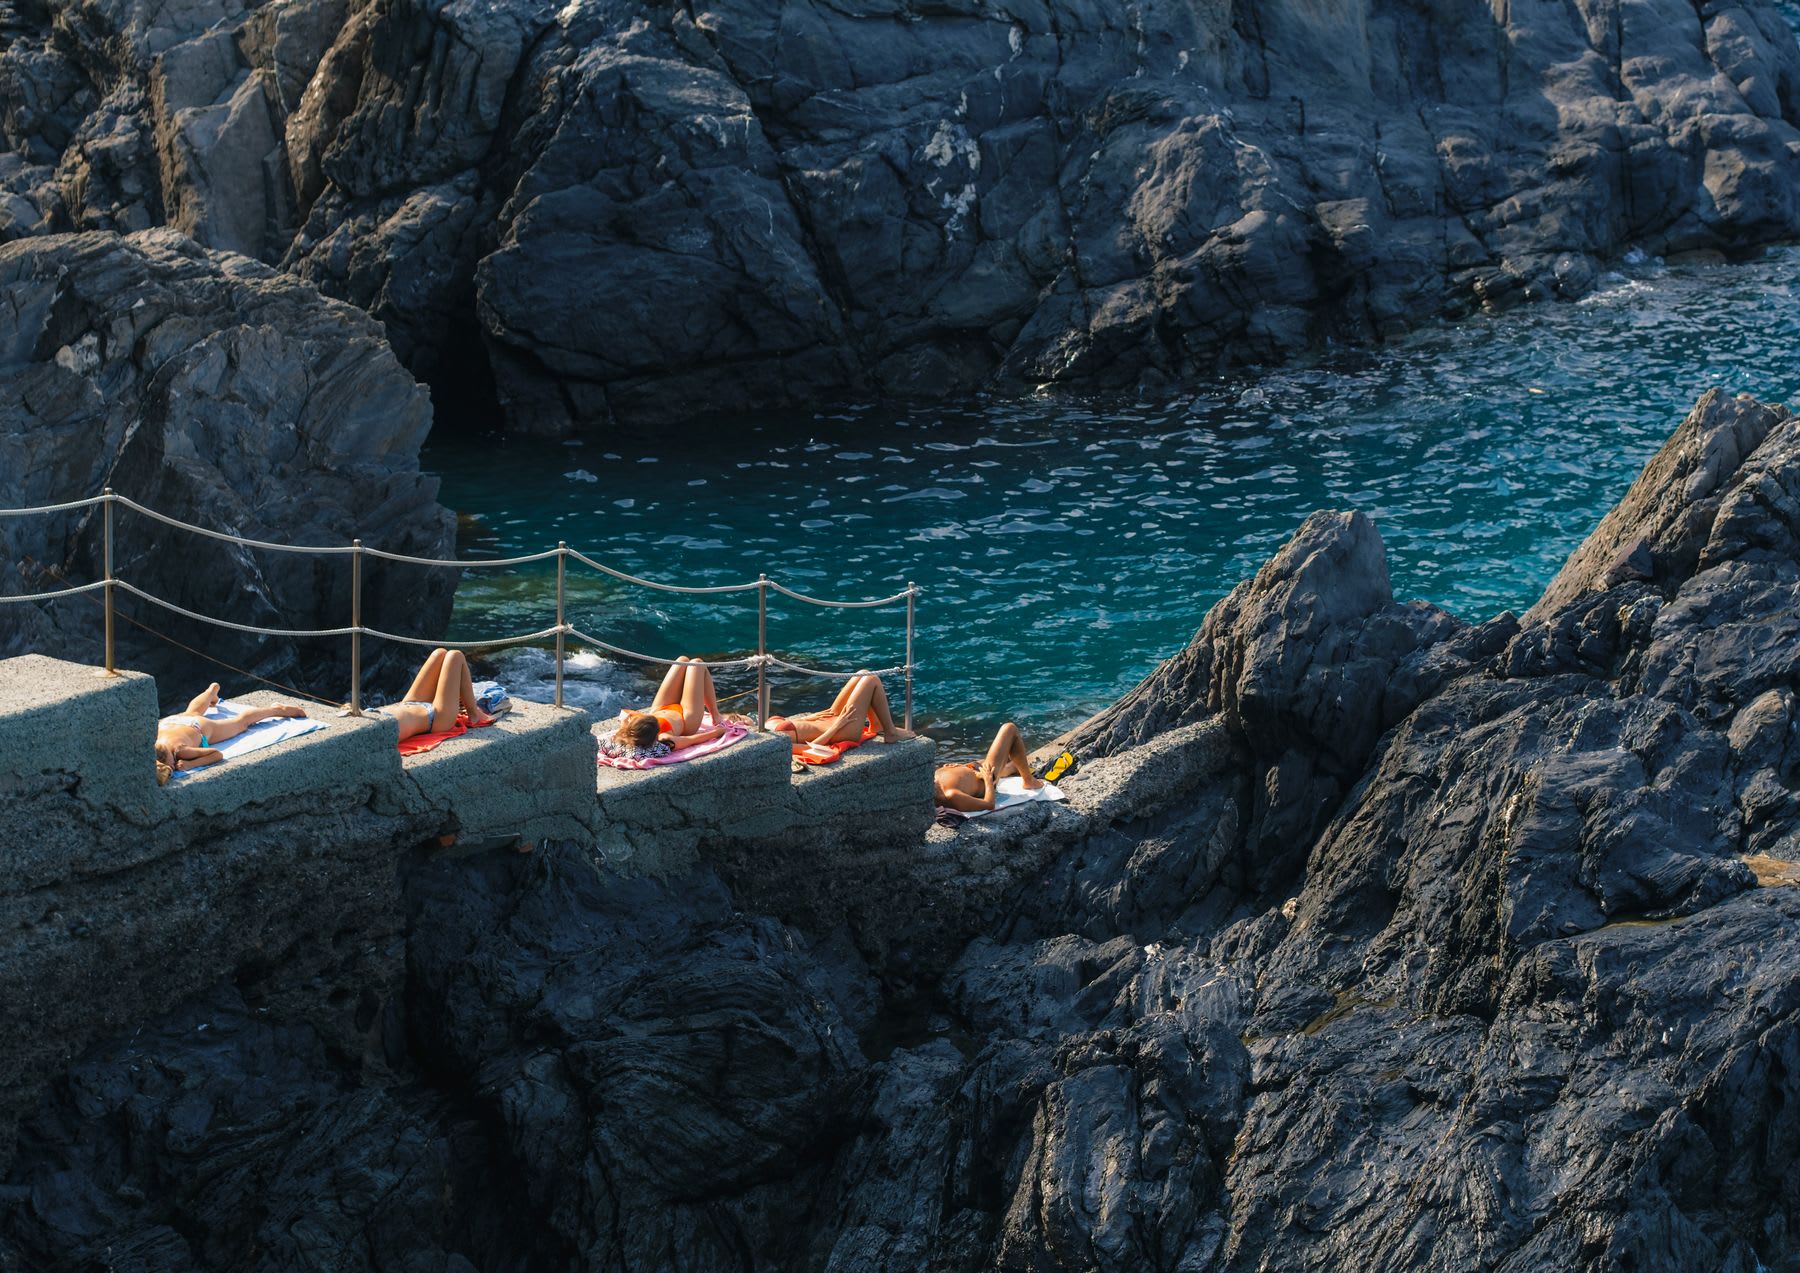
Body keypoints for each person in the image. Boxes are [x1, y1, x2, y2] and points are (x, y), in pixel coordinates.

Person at [155, 682, 307, 783]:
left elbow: (216, 754)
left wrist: (190, 764)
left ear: (170, 757)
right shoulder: (153, 744)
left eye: (170, 765)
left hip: (200, 727)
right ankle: (211, 691)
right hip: (171, 722)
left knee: (241, 723)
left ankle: (276, 710)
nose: (172, 767)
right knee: (192, 711)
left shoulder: (180, 751)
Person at [605, 656, 728, 759]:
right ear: (654, 737)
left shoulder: (632, 729)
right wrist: (717, 732)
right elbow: (692, 740)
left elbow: (624, 714)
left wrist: (624, 724)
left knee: (682, 660)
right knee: (697, 664)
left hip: (661, 708)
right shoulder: (665, 739)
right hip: (686, 719)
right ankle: (715, 714)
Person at [377, 647, 499, 743]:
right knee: (455, 656)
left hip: (408, 703)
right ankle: (474, 714)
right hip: (435, 718)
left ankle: (461, 702)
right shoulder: (376, 737)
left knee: (439, 653)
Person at [765, 672, 916, 746]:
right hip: (841, 731)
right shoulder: (771, 745)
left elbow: (798, 727)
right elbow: (810, 748)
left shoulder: (761, 727)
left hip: (828, 718)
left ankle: (876, 725)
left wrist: (810, 717)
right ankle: (891, 733)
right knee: (871, 680)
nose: (741, 719)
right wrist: (837, 726)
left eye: (740, 718)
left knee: (862, 673)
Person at [934, 721, 1042, 813]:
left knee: (1013, 759)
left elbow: (956, 779)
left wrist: (949, 768)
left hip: (972, 767)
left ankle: (1012, 769)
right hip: (986, 774)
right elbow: (989, 804)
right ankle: (1029, 781)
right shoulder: (951, 795)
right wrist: (988, 779)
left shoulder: (931, 780)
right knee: (1009, 728)